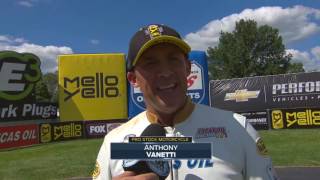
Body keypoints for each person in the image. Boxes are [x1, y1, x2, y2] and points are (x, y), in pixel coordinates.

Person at [92, 24, 278, 180]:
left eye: (173, 59)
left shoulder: (238, 129)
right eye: (151, 63)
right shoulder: (114, 142)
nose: (165, 72)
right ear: (133, 79)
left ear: (188, 68)